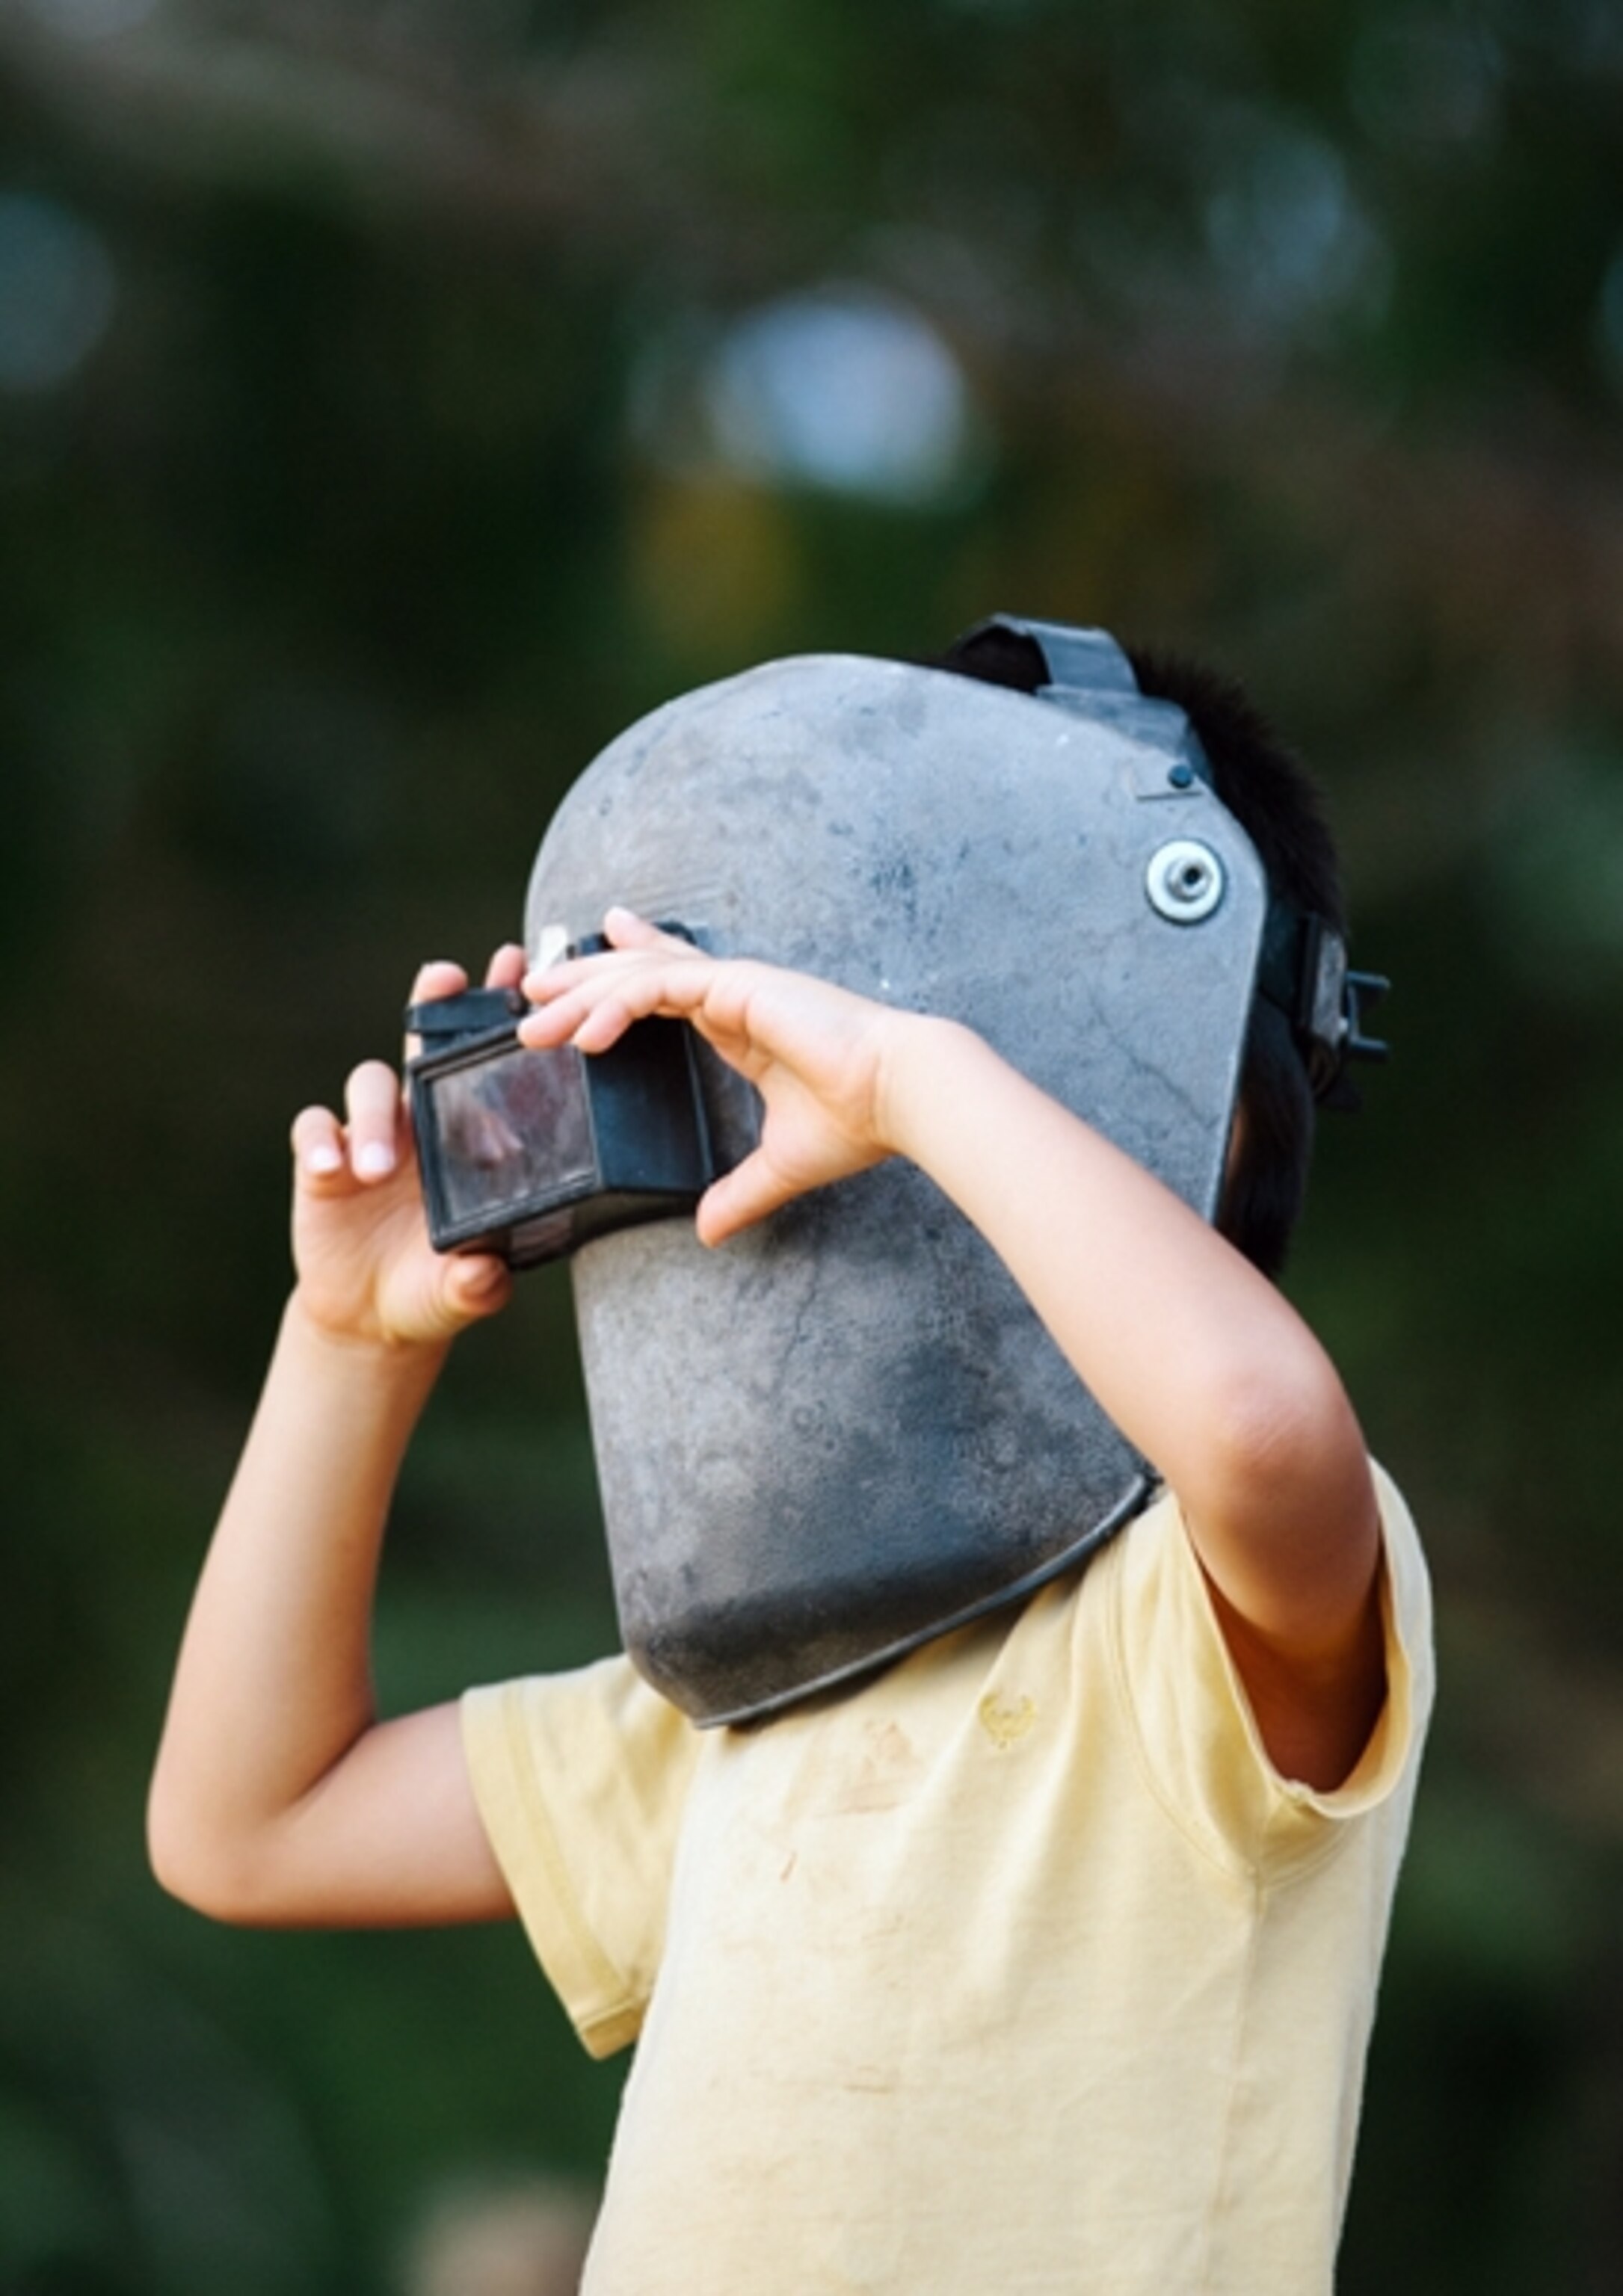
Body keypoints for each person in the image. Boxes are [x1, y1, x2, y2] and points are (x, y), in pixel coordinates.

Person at [147, 634, 1432, 2294]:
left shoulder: (1187, 1617)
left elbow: (1257, 1429)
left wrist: (910, 1075)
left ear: (1220, 1105)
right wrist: (349, 1345)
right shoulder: (746, 1691)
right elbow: (249, 1826)